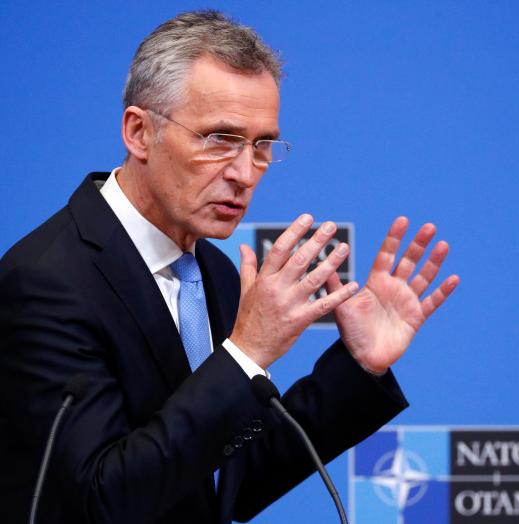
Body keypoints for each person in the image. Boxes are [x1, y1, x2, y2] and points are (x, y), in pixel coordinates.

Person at [0, 10, 459, 524]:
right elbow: (97, 502)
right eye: (219, 138)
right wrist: (247, 352)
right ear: (138, 132)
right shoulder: (47, 281)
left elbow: (228, 481)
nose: (244, 173)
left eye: (262, 145)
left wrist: (358, 367)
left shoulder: (212, 275)